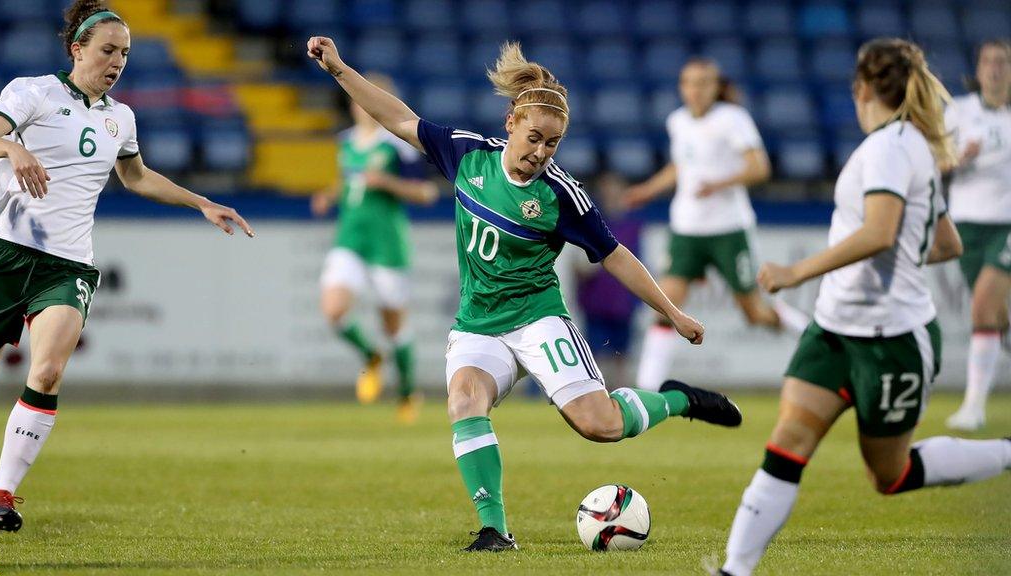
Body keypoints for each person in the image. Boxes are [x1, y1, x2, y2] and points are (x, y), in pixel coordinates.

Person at [307, 37, 742, 552]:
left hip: (538, 319)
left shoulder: (561, 196)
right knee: (465, 399)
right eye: (534, 137)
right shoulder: (467, 155)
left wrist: (671, 311)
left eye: (552, 144)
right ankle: (494, 529)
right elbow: (397, 118)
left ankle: (679, 397)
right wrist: (339, 70)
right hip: (478, 322)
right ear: (511, 122)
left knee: (600, 426)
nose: (541, 152)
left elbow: (616, 254)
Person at [716, 39, 1011, 576]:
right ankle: (735, 571)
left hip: (892, 341)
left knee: (889, 475)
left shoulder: (889, 150)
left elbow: (880, 232)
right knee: (785, 445)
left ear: (862, 88)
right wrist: (899, 252)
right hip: (833, 330)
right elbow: (946, 243)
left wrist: (796, 272)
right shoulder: (910, 143)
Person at [0, 0, 253, 532]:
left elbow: (136, 178)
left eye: (125, 54)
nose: (117, 62)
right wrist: (10, 151)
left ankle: (2, 497)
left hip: (68, 266)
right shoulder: (32, 91)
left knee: (49, 370)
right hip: (2, 253)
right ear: (77, 48)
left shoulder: (119, 117)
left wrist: (201, 201)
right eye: (108, 50)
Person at [624, 58, 808, 392]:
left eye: (702, 82)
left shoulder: (732, 119)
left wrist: (719, 183)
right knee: (665, 305)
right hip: (686, 230)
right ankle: (648, 388)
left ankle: (806, 332)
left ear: (715, 87)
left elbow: (759, 168)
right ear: (682, 87)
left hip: (728, 230)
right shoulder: (677, 121)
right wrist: (647, 189)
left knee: (753, 313)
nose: (695, 90)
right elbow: (682, 165)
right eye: (689, 83)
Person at [310, 73, 438, 421]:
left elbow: (427, 193)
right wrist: (329, 195)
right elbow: (347, 181)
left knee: (394, 326)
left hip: (386, 243)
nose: (361, 105)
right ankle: (371, 355)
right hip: (350, 238)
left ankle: (409, 391)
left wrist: (387, 182)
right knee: (334, 310)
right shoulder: (346, 142)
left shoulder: (396, 143)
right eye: (357, 98)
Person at [943, 39, 1011, 432]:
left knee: (983, 307)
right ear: (979, 68)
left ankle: (974, 407)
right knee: (997, 319)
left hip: (1006, 225)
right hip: (966, 226)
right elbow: (933, 162)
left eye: (1002, 62)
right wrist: (957, 158)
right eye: (987, 62)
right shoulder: (958, 111)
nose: (995, 69)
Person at [572, 172, 643, 386]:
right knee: (596, 353)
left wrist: (637, 299)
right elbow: (579, 266)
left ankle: (623, 393)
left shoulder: (633, 227)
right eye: (606, 191)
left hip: (623, 302)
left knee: (622, 354)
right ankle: (596, 391)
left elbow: (640, 264)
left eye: (614, 190)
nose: (610, 195)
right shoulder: (591, 222)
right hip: (596, 302)